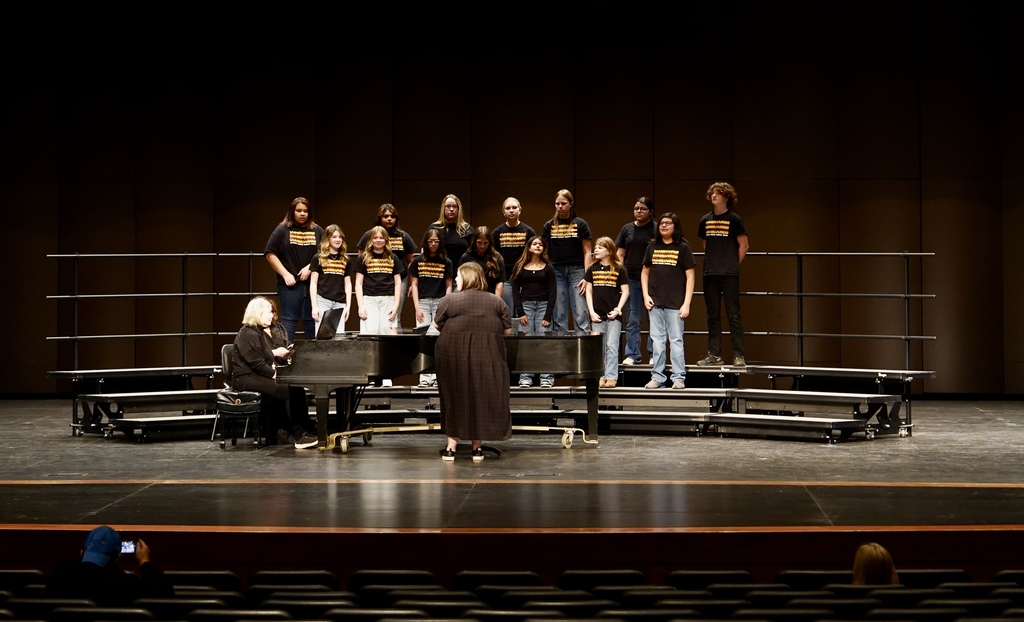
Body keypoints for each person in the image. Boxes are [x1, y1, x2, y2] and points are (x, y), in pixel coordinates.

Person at [433, 262, 512, 462]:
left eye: (458, 276)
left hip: (453, 356)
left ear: (467, 277)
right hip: (487, 355)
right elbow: (507, 330)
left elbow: (437, 324)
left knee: (454, 397)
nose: (456, 280)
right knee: (481, 396)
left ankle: (451, 448)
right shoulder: (496, 301)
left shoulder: (449, 300)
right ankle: (477, 449)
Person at [231, 296, 319, 448]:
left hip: (256, 375)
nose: (272, 315)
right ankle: (298, 435)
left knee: (295, 388)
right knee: (284, 388)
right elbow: (257, 364)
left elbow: (265, 358)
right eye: (268, 313)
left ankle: (305, 429)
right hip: (245, 378)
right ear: (257, 314)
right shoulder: (248, 333)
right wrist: (277, 376)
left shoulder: (257, 332)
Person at [45, 525, 174, 606]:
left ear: (81, 553)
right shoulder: (127, 583)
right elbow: (165, 591)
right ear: (118, 556)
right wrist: (145, 562)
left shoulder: (59, 578)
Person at [696, 182, 749, 367]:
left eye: (718, 193)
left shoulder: (734, 219)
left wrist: (733, 264)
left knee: (733, 314)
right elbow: (705, 245)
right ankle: (714, 354)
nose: (714, 196)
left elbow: (744, 245)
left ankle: (738, 354)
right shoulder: (705, 220)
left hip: (729, 274)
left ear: (727, 197)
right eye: (712, 193)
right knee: (712, 315)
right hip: (710, 272)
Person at [642, 212, 696, 390]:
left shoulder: (683, 247)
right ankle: (657, 376)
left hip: (676, 303)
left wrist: (686, 303)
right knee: (657, 342)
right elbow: (644, 272)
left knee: (676, 341)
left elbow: (690, 276)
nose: (664, 226)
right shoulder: (652, 246)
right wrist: (646, 295)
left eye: (668, 223)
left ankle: (678, 377)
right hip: (655, 302)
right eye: (662, 223)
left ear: (675, 226)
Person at [265, 197, 323, 342]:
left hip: (312, 283)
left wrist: (310, 267)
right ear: (292, 212)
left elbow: (325, 253)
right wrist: (285, 274)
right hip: (289, 284)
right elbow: (270, 253)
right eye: (299, 211)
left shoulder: (317, 230)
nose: (302, 214)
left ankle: (315, 355)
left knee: (311, 318)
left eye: (305, 211)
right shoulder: (282, 229)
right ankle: (286, 354)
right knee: (289, 319)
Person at [541, 189, 593, 335]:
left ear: (570, 204)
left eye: (563, 203)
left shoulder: (580, 224)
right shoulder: (549, 225)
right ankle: (561, 352)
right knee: (559, 312)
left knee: (580, 311)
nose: (560, 207)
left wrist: (587, 276)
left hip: (577, 270)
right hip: (557, 270)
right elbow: (544, 251)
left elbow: (587, 251)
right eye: (557, 204)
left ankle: (583, 349)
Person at [357, 204, 416, 328]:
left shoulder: (403, 236)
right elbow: (361, 258)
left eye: (392, 216)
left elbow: (411, 260)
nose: (389, 219)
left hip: (399, 279)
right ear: (380, 218)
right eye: (386, 216)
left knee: (395, 314)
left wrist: (411, 283)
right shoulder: (369, 234)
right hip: (372, 280)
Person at [510, 236, 556, 388]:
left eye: (540, 244)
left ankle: (546, 377)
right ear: (529, 248)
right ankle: (526, 377)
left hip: (543, 307)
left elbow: (553, 291)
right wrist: (520, 311)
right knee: (526, 343)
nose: (537, 246)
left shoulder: (548, 267)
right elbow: (515, 290)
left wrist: (548, 315)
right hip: (526, 307)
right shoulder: (520, 266)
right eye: (534, 244)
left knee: (545, 343)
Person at [409, 227, 453, 387]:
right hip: (423, 302)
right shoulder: (418, 261)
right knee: (424, 339)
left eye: (436, 241)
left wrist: (446, 304)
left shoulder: (446, 261)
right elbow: (414, 285)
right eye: (430, 241)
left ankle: (435, 377)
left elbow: (449, 285)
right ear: (426, 242)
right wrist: (416, 307)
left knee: (438, 339)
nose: (433, 244)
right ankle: (424, 377)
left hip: (440, 301)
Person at [615, 196, 656, 365]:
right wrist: (620, 275)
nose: (639, 211)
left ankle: (655, 353)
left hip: (652, 278)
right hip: (631, 278)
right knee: (633, 317)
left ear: (651, 212)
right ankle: (633, 354)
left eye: (643, 208)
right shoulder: (627, 229)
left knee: (654, 318)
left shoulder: (655, 229)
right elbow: (620, 254)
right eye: (636, 208)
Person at [585, 237, 629, 388]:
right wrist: (591, 311)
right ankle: (601, 376)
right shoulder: (592, 268)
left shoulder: (619, 269)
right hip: (597, 314)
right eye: (595, 247)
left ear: (608, 251)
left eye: (599, 247)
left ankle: (611, 376)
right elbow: (589, 291)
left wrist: (618, 309)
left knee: (612, 346)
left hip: (613, 315)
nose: (595, 250)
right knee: (600, 347)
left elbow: (625, 291)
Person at [492, 197, 536, 316]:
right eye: (508, 208)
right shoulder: (497, 233)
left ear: (520, 210)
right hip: (505, 278)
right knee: (508, 311)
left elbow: (534, 256)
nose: (511, 210)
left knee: (523, 314)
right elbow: (493, 257)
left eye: (514, 208)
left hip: (524, 278)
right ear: (503, 211)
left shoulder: (529, 232)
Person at [355, 226, 402, 336]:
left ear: (386, 240)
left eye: (381, 238)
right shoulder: (363, 258)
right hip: (369, 300)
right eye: (375, 237)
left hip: (388, 299)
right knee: (369, 334)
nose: (378, 240)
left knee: (389, 335)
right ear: (370, 240)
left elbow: (398, 283)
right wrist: (360, 305)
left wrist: (396, 305)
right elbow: (358, 283)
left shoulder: (393, 258)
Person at [310, 224, 352, 339]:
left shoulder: (345, 259)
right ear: (327, 239)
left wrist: (348, 305)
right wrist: (314, 306)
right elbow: (313, 283)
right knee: (322, 336)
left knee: (339, 337)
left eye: (340, 237)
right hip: (323, 299)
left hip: (340, 302)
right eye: (334, 237)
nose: (338, 239)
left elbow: (348, 284)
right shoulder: (318, 258)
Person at [459, 226, 505, 296]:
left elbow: (499, 282)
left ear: (490, 242)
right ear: (474, 242)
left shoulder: (496, 257)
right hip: (471, 296)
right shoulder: (466, 257)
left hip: (491, 296)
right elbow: (461, 281)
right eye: (479, 243)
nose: (482, 246)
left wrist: (497, 301)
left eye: (485, 243)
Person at [431, 194, 474, 262]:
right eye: (448, 206)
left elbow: (474, 252)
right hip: (440, 268)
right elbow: (424, 250)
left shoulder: (467, 229)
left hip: (461, 269)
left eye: (454, 207)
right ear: (443, 209)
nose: (451, 209)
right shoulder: (435, 228)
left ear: (458, 209)